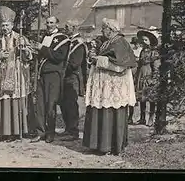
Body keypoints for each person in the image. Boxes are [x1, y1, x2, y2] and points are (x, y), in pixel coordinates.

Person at [83, 18, 137, 155]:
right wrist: (93, 56)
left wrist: (97, 60)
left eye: (103, 28)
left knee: (111, 111)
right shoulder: (108, 41)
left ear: (111, 30)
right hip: (104, 83)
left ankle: (110, 145)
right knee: (100, 109)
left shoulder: (120, 42)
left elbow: (120, 65)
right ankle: (98, 144)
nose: (102, 31)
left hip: (114, 84)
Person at [0, 6, 33, 141]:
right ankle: (4, 130)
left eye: (7, 25)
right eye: (3, 25)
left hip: (16, 72)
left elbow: (29, 56)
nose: (5, 28)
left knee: (15, 99)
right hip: (1, 74)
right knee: (3, 99)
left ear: (12, 25)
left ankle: (17, 130)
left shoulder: (20, 38)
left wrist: (24, 50)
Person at [30, 16, 70, 143]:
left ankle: (50, 133)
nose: (49, 25)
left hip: (53, 74)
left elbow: (59, 57)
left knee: (50, 104)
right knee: (40, 105)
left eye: (51, 22)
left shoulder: (63, 39)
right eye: (47, 22)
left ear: (57, 24)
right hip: (41, 73)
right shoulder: (42, 37)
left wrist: (42, 48)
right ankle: (40, 132)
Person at [58, 19, 88, 142]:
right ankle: (68, 128)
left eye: (67, 26)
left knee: (71, 104)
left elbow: (75, 63)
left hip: (73, 77)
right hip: (66, 77)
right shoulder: (69, 42)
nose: (65, 28)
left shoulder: (79, 43)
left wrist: (60, 66)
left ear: (74, 28)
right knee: (64, 104)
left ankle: (73, 131)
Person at [134, 27, 160, 127]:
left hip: (149, 74)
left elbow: (156, 66)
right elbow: (139, 64)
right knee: (142, 98)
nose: (144, 42)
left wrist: (154, 78)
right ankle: (142, 118)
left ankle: (151, 118)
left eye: (146, 40)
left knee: (151, 98)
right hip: (141, 74)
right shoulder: (142, 51)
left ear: (150, 41)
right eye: (143, 40)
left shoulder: (154, 52)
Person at [127, 37, 142, 124]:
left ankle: (139, 115)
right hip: (132, 70)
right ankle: (130, 116)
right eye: (134, 43)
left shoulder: (141, 50)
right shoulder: (133, 50)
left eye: (137, 43)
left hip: (137, 71)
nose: (136, 45)